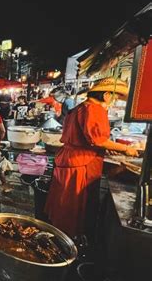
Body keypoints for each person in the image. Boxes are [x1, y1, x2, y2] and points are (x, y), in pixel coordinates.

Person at [44, 78, 139, 240]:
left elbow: (89, 139)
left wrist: (109, 148)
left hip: (69, 159)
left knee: (63, 204)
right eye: (114, 97)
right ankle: (69, 242)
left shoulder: (80, 108)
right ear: (107, 95)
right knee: (73, 208)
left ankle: (59, 237)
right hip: (80, 163)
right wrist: (126, 148)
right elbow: (98, 140)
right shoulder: (94, 109)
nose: (114, 101)